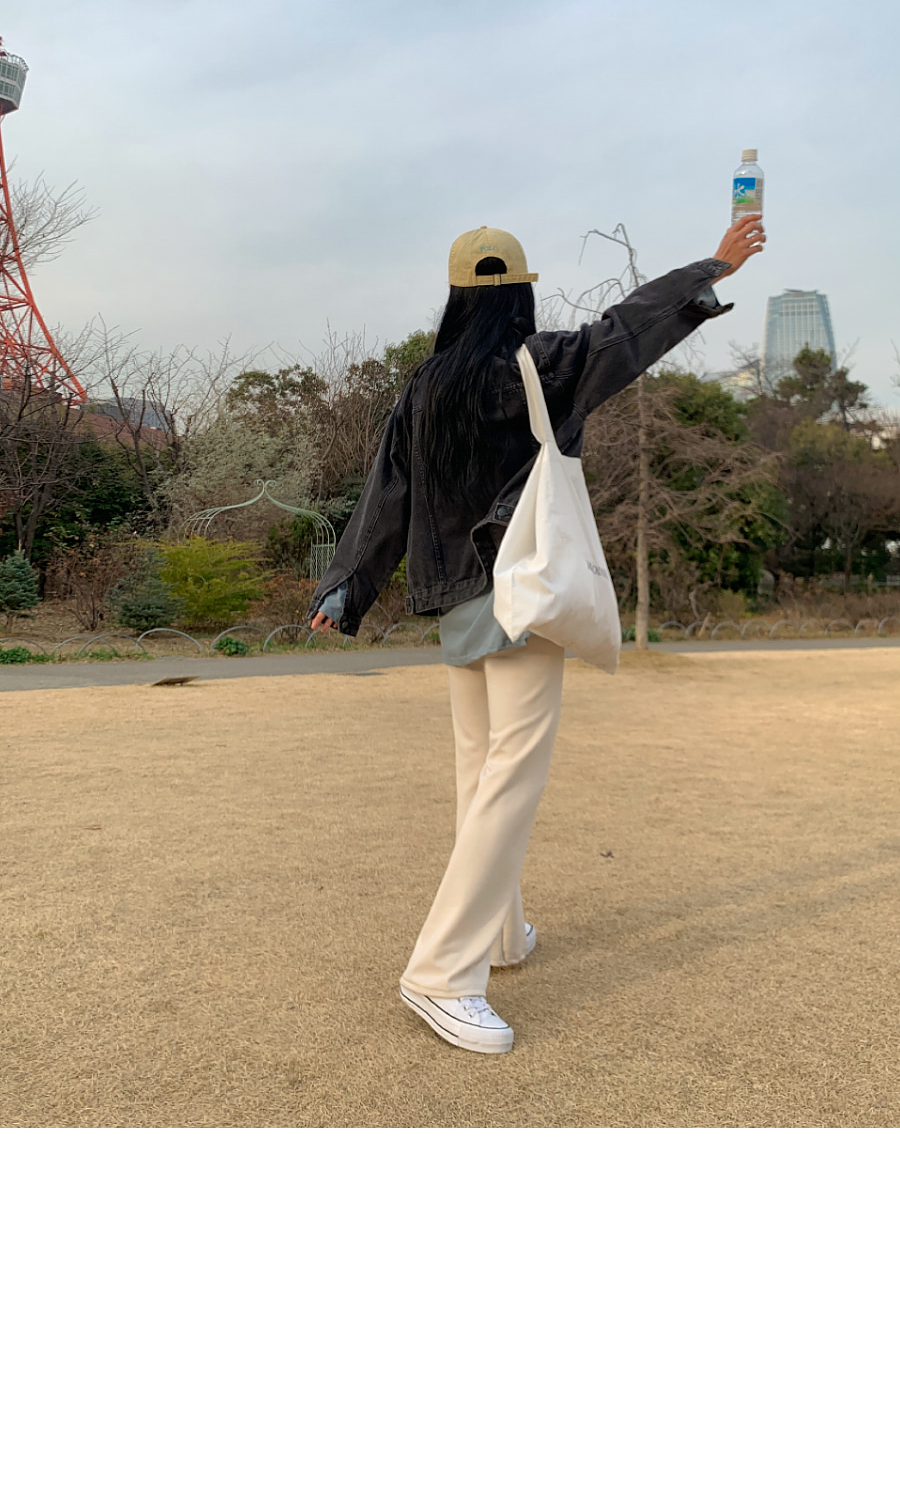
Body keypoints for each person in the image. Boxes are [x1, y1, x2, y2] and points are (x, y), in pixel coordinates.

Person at [309, 213, 764, 1054]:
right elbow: (623, 332)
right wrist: (711, 268)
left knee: (479, 774)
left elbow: (386, 495)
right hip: (523, 591)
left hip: (454, 602)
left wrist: (346, 589)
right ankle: (441, 973)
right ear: (520, 291)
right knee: (510, 779)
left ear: (455, 296)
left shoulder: (424, 386)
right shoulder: (538, 364)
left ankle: (500, 934)